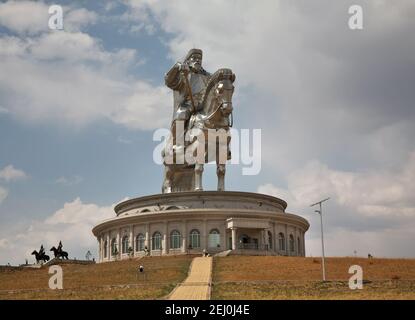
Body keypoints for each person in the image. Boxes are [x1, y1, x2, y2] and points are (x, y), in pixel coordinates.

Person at [164, 48, 211, 156]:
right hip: (189, 104)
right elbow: (168, 80)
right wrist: (177, 67)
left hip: (204, 106)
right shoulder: (183, 73)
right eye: (194, 58)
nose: (197, 60)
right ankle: (178, 144)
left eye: (200, 58)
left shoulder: (207, 76)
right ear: (189, 60)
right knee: (181, 113)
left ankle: (224, 146)